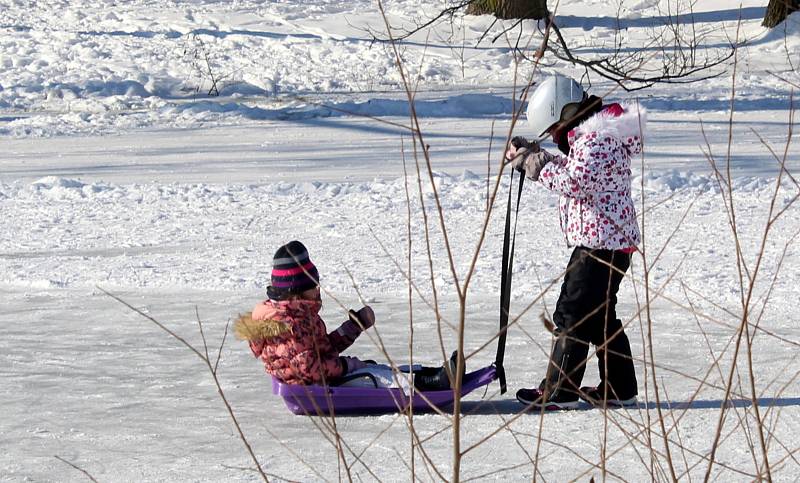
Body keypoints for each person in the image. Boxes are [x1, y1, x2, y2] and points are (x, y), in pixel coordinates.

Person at [506, 73, 643, 409]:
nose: (554, 139)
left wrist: (534, 165)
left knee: (572, 313)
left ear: (565, 114)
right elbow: (573, 166)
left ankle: (561, 391)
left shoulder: (597, 139)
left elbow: (576, 181)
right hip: (609, 242)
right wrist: (537, 156)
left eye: (552, 131)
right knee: (600, 317)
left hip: (601, 244)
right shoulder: (592, 136)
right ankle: (620, 387)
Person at [234, 240, 460, 391]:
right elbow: (309, 369)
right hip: (315, 390)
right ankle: (434, 382)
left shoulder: (296, 314)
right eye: (313, 285)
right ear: (296, 290)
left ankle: (431, 374)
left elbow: (322, 349)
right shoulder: (289, 324)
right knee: (373, 377)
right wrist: (345, 367)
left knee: (373, 369)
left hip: (320, 379)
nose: (318, 290)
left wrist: (352, 328)